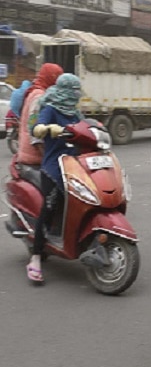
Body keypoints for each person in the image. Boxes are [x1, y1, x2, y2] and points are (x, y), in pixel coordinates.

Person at [25, 74, 83, 284]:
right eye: (74, 91)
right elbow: (37, 128)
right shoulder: (50, 108)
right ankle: (36, 257)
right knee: (49, 207)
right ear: (65, 91)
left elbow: (84, 128)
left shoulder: (75, 112)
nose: (77, 95)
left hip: (74, 166)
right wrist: (48, 128)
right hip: (54, 167)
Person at [17, 64, 64, 166]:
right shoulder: (39, 96)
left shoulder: (39, 92)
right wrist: (46, 154)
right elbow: (34, 127)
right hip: (34, 156)